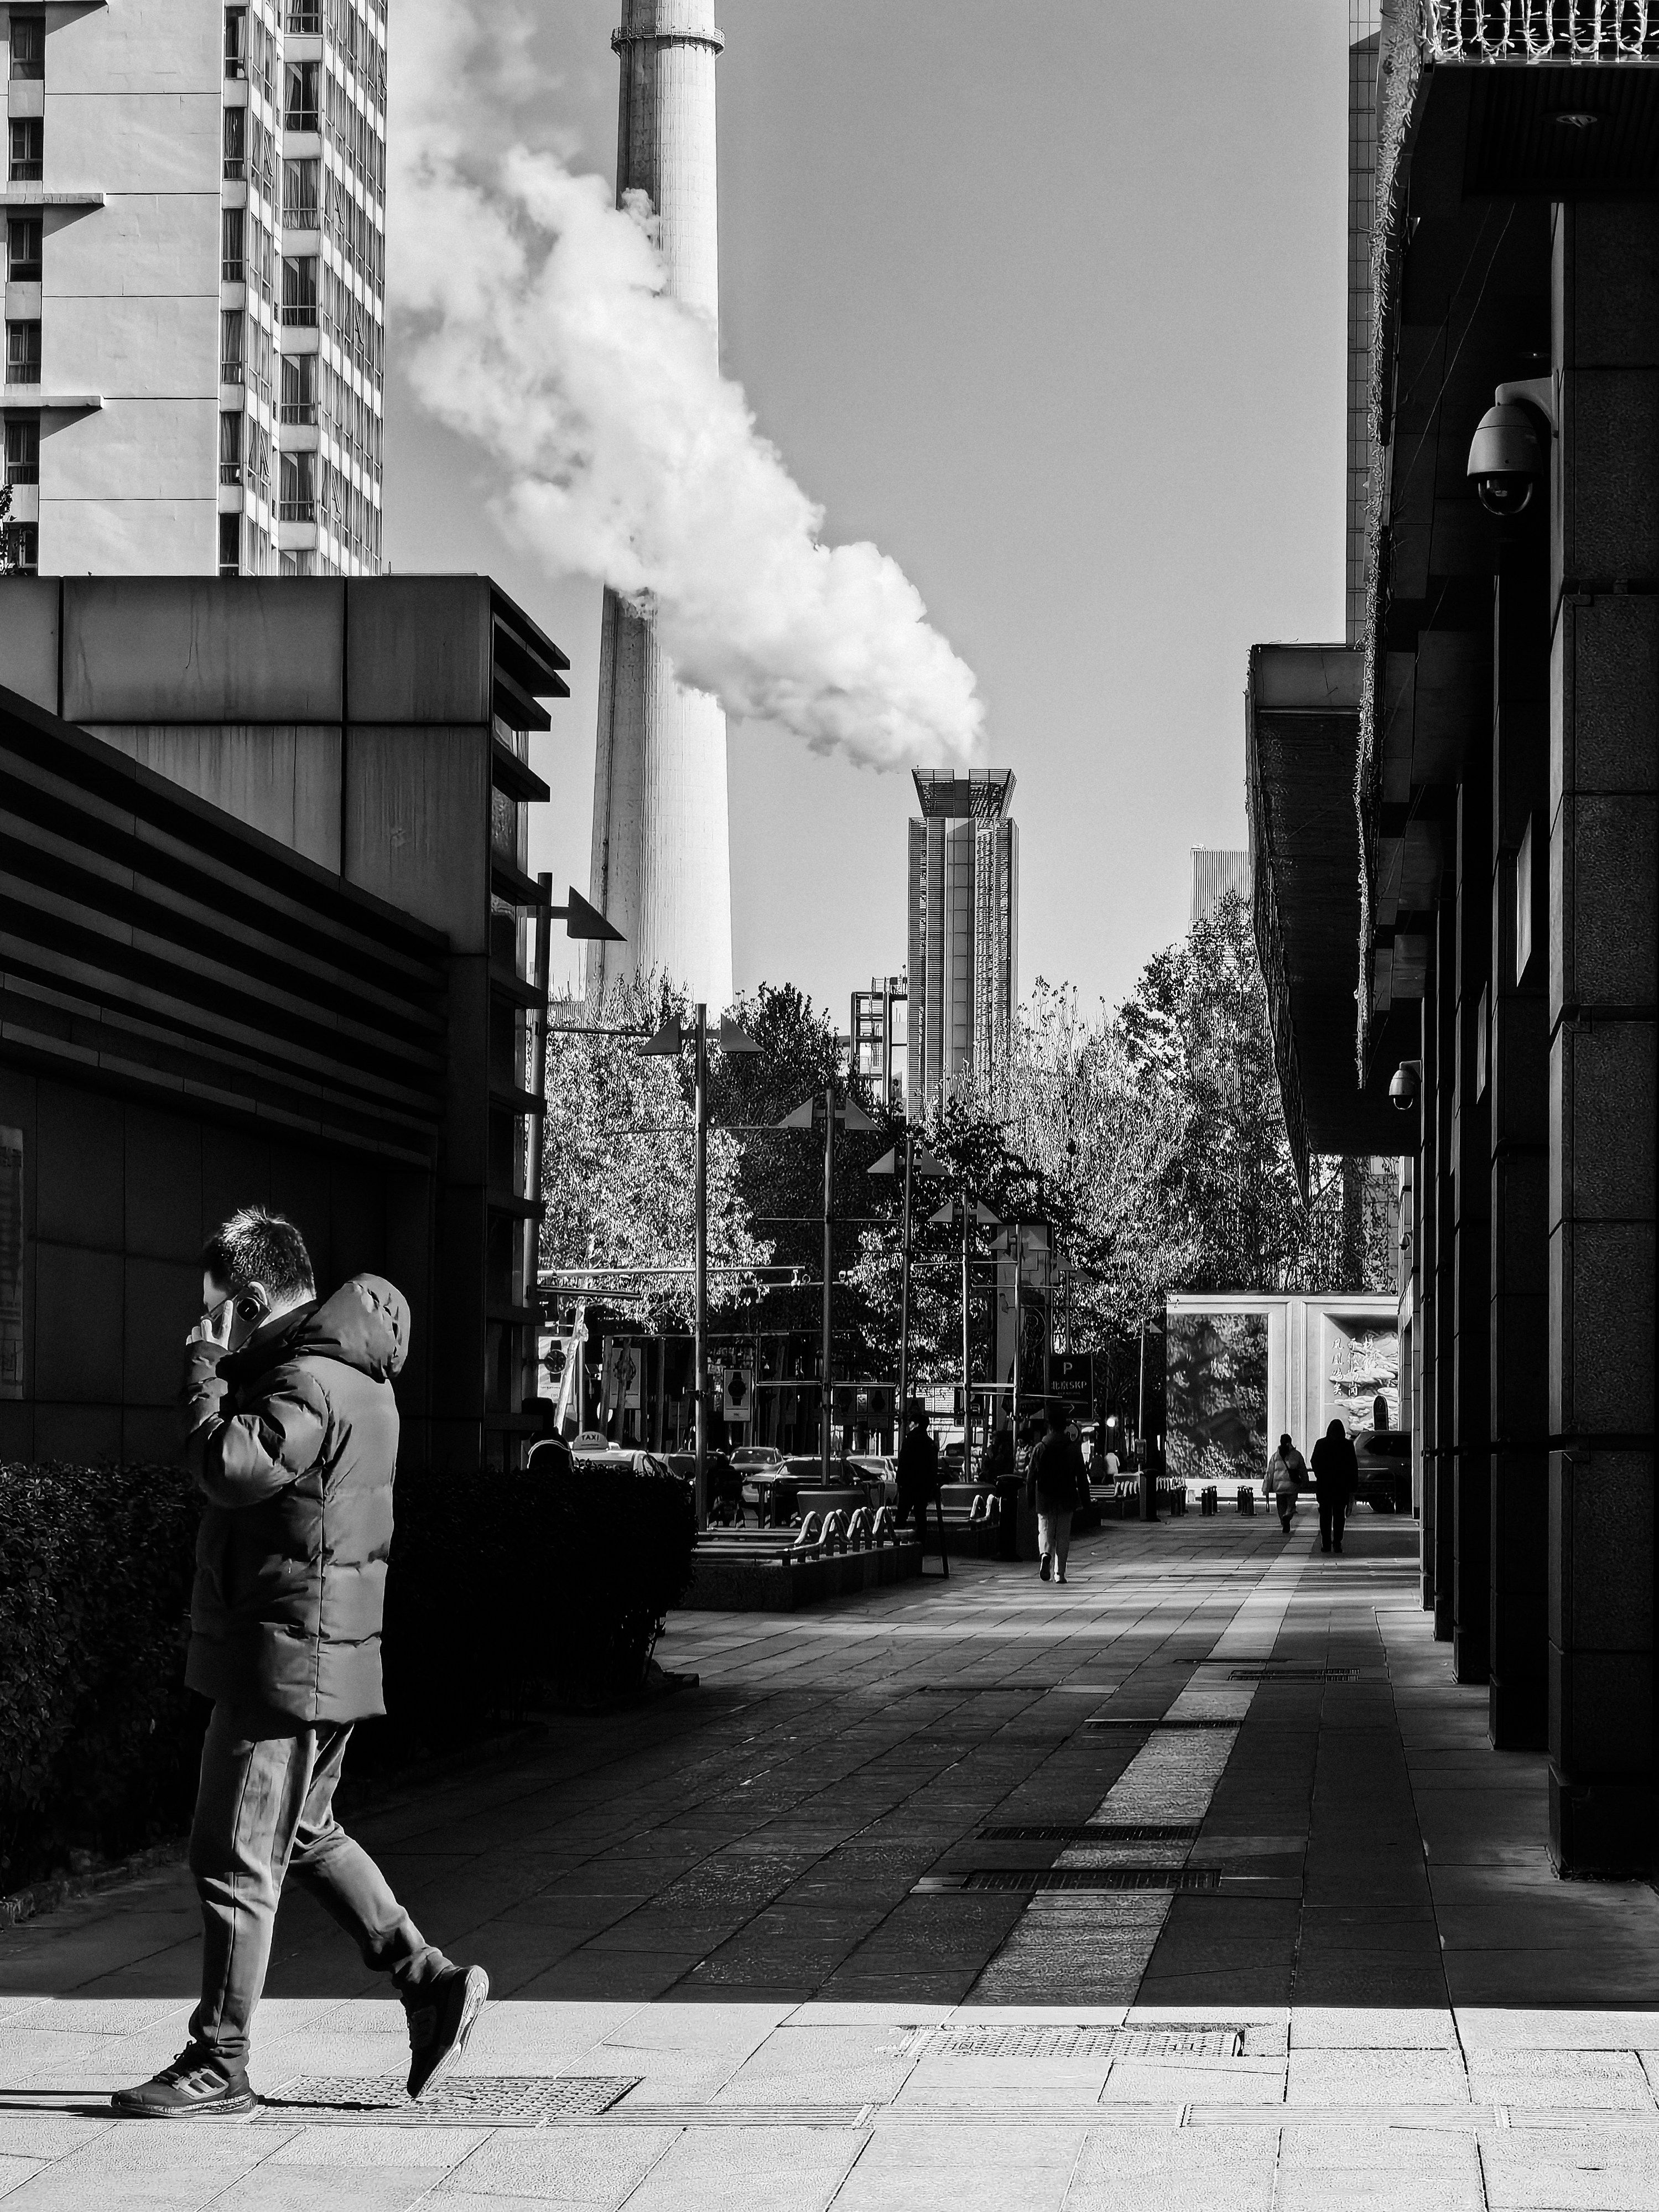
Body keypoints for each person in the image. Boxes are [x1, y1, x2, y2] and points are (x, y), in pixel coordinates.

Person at [113, 1208, 487, 2120]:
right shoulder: (345, 1377)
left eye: (216, 1312)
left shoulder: (305, 1384)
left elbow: (225, 1466)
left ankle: (219, 2059)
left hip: (283, 1655)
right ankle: (428, 1978)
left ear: (248, 1301)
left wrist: (204, 1371)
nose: (205, 1327)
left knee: (229, 1852)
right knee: (306, 1832)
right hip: (320, 1652)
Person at [1027, 1400, 1090, 1585]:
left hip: (1045, 1497)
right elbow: (1081, 1476)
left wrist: (1030, 1500)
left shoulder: (1040, 1448)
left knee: (1045, 1530)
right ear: (1066, 1427)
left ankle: (1045, 1555)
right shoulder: (1073, 1449)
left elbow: (1031, 1476)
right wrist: (1086, 1503)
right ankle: (1059, 1574)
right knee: (1063, 1535)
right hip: (1067, 1496)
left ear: (1049, 1427)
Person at [1311, 1416, 1359, 1555]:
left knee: (1325, 1516)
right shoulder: (1348, 1446)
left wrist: (1320, 1475)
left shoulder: (1321, 1444)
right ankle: (1337, 1543)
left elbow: (1314, 1461)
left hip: (1325, 1486)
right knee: (1339, 1516)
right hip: (1341, 1487)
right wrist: (1353, 1488)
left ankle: (1326, 1543)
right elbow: (1353, 1467)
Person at [895, 1401, 939, 1544]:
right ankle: (921, 1542)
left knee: (902, 1514)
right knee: (921, 1515)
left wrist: (900, 1482)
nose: (908, 1426)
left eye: (911, 1423)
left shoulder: (910, 1441)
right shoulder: (930, 1443)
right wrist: (932, 1486)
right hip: (923, 1486)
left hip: (909, 1485)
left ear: (916, 1424)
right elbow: (933, 1467)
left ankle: (897, 1540)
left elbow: (903, 1463)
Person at [1264, 1432, 1306, 1533]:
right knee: (1291, 1505)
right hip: (1292, 1486)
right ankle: (1288, 1515)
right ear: (1290, 1442)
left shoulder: (1275, 1456)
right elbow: (1303, 1470)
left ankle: (1283, 1520)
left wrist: (1266, 1488)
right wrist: (1305, 1481)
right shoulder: (1297, 1455)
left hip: (1279, 1487)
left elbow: (1270, 1473)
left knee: (1281, 1506)